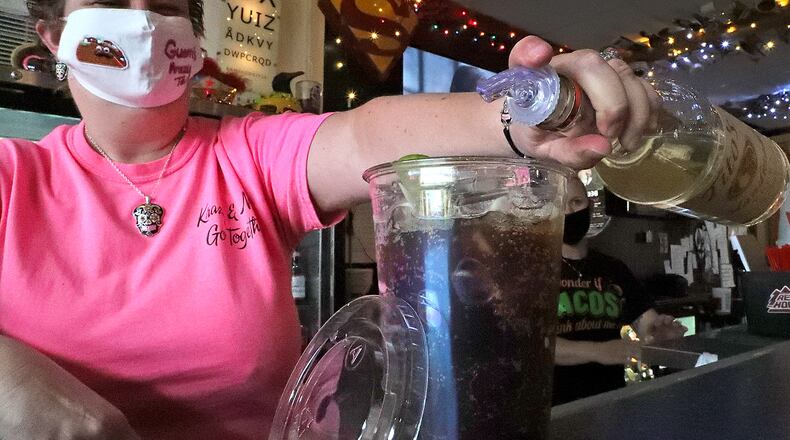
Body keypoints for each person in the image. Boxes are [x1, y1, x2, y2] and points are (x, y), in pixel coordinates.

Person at [0, 0, 656, 438]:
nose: (142, 21)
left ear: (192, 41)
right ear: (56, 37)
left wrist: (521, 116)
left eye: (166, 5)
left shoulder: (245, 155)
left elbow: (364, 138)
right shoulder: (11, 176)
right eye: (113, 1)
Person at [552, 176, 687, 405]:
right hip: (554, 407)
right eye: (560, 203)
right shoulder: (535, 270)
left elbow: (647, 323)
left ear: (591, 206)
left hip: (610, 401)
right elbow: (533, 345)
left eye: (576, 202)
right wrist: (599, 351)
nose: (568, 210)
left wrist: (661, 334)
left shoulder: (613, 268)